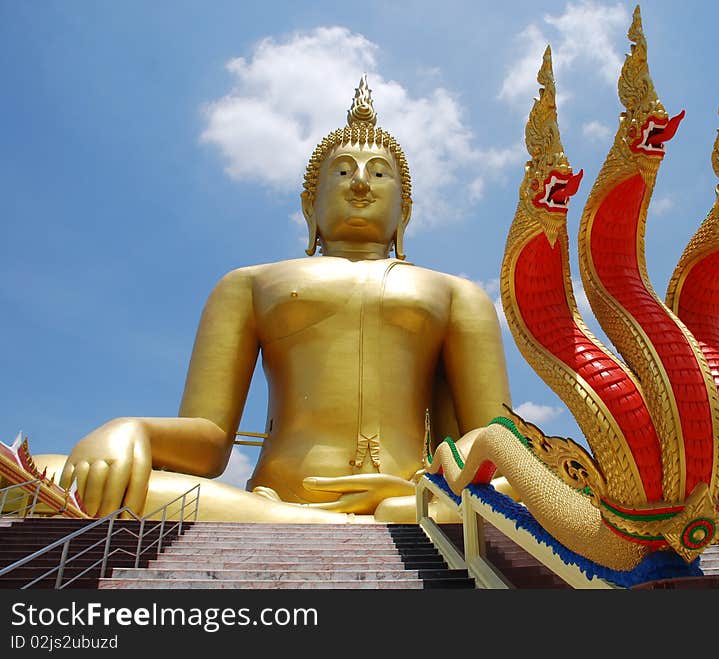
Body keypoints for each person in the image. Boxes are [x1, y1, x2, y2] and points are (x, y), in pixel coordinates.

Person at [34, 78, 512, 523]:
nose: (360, 183)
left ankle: (401, 511)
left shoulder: (457, 293)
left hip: (413, 494)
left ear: (404, 209)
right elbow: (209, 442)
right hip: (271, 502)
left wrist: (430, 485)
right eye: (342, 170)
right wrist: (129, 429)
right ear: (310, 204)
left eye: (379, 173)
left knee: (541, 486)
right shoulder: (250, 284)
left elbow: (499, 438)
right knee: (39, 473)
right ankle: (316, 521)